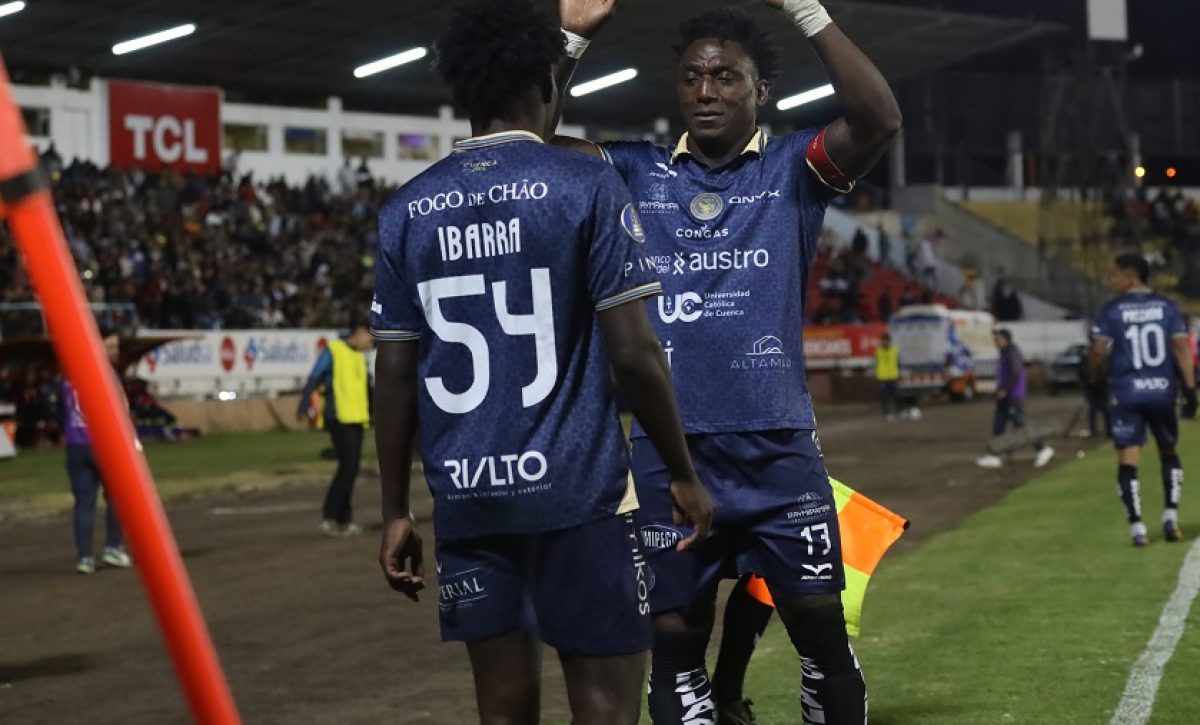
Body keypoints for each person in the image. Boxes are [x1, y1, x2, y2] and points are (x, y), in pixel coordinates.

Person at [552, 0, 901, 721]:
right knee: (676, 644)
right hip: (669, 451)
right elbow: (525, 144)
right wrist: (571, 39)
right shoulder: (632, 171)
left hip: (778, 445)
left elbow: (879, 120)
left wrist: (808, 10)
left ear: (758, 90)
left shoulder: (794, 167)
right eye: (692, 78)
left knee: (820, 634)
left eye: (725, 77)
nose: (706, 91)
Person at [371, 2, 713, 723]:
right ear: (549, 88)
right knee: (604, 704)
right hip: (578, 495)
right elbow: (635, 354)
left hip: (468, 502)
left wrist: (395, 510)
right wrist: (681, 470)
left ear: (461, 94)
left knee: (502, 708)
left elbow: (395, 375)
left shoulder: (407, 209)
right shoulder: (585, 184)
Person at [1089, 253, 1197, 546]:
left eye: (1115, 275)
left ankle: (1137, 527)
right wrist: (1189, 389)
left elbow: (1099, 349)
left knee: (1128, 458)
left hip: (1127, 393)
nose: (1111, 280)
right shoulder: (1167, 307)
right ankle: (1170, 516)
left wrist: (1094, 375)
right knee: (1168, 450)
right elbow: (1181, 348)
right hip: (1162, 390)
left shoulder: (1112, 309)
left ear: (1130, 276)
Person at [63, 332, 133, 574]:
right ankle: (113, 548)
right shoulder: (104, 373)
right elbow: (120, 408)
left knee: (83, 503)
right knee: (119, 495)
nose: (115, 350)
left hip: (75, 445)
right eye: (110, 345)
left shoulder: (71, 371)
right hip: (102, 445)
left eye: (116, 345)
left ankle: (84, 558)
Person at [298, 324, 374, 536]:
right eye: (368, 336)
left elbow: (365, 389)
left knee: (350, 468)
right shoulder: (334, 350)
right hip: (339, 418)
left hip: (357, 418)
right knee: (348, 467)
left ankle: (344, 520)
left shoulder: (359, 357)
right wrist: (304, 404)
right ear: (357, 332)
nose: (370, 341)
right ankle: (330, 516)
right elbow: (314, 376)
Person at [976, 329, 1055, 470]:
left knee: (1020, 424)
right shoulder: (1005, 353)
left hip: (1013, 397)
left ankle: (1042, 449)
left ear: (1006, 339)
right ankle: (994, 455)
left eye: (998, 338)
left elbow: (1015, 372)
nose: (995, 341)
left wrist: (1005, 389)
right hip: (1007, 397)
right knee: (998, 426)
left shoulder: (1011, 353)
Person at [876, 332, 900, 420]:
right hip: (882, 377)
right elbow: (876, 363)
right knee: (884, 397)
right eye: (884, 341)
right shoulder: (878, 351)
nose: (885, 342)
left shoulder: (894, 350)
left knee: (896, 395)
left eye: (887, 341)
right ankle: (886, 413)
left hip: (893, 376)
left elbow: (898, 362)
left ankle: (898, 411)